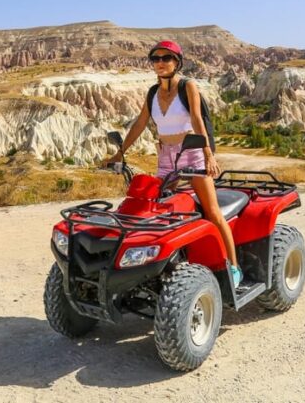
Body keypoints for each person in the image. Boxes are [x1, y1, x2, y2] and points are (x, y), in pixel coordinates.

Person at [103, 40, 242, 288]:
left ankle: (233, 267)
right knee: (159, 210)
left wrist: (209, 155)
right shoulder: (152, 93)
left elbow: (198, 120)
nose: (160, 63)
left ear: (177, 62)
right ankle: (165, 265)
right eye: (155, 59)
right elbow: (139, 124)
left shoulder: (188, 86)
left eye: (166, 58)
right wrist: (119, 153)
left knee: (212, 212)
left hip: (192, 151)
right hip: (166, 156)